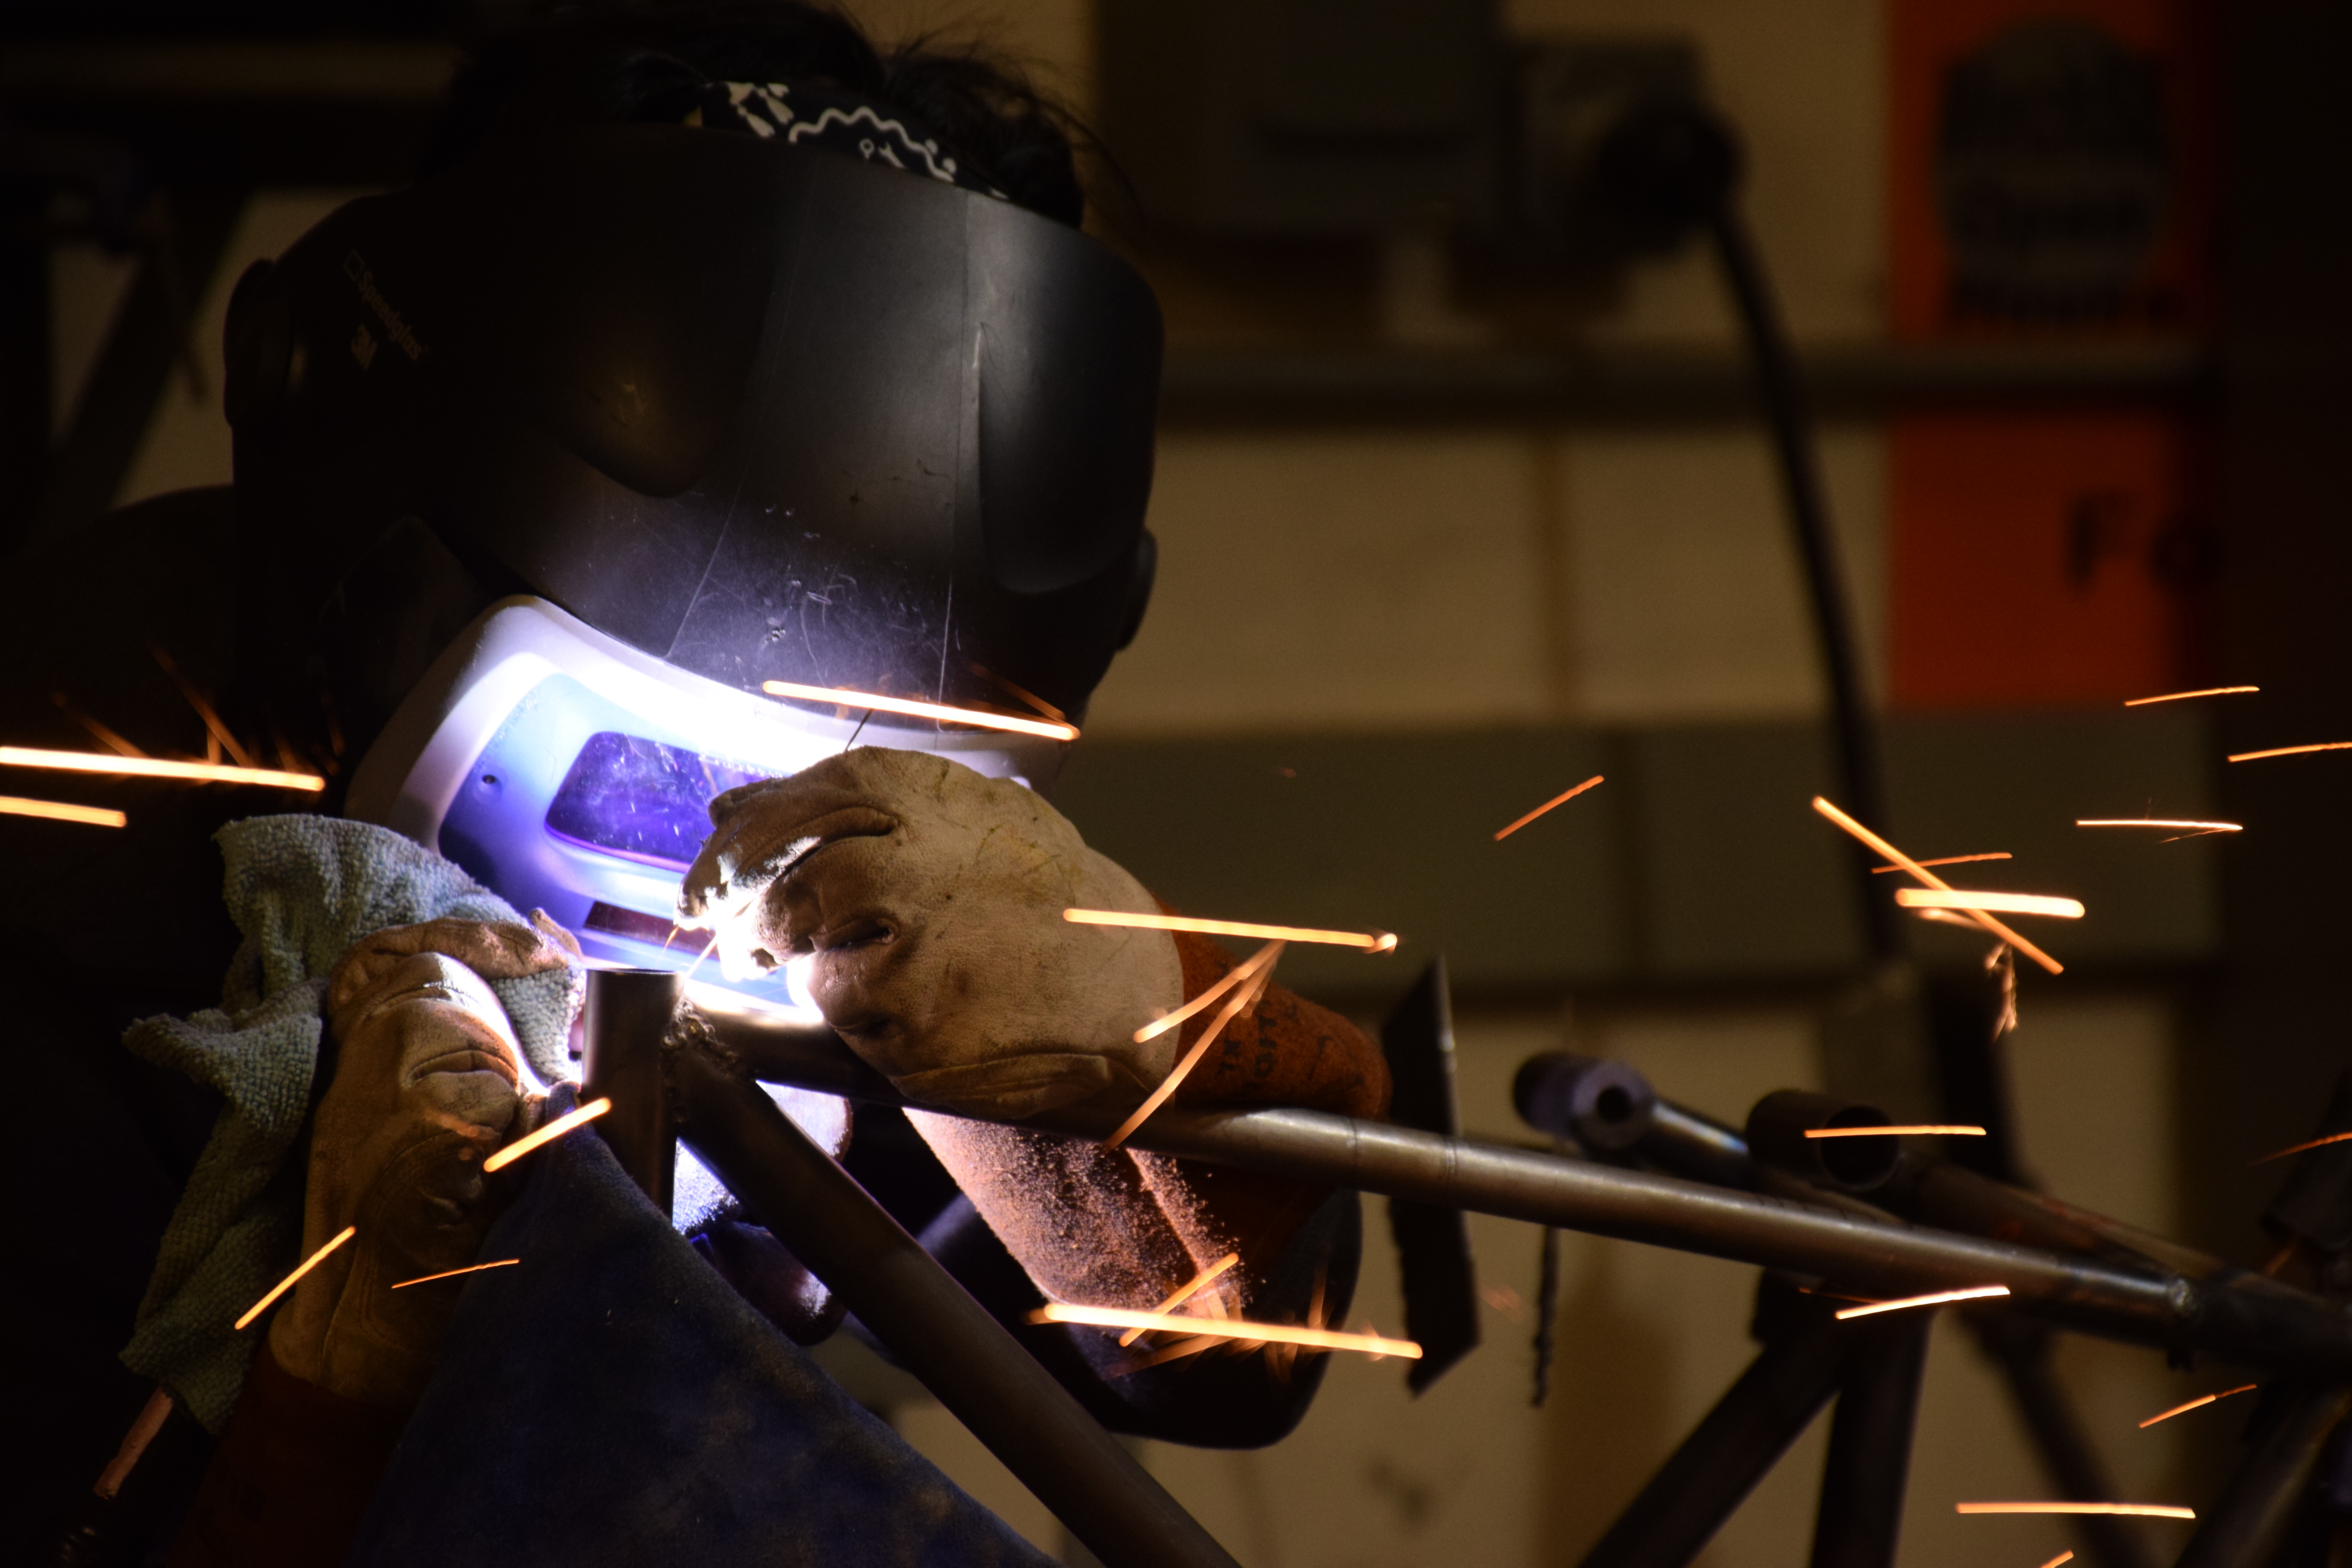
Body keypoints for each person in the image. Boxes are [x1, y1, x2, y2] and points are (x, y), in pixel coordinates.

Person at [7, 5, 1390, 1562]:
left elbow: (1227, 1360)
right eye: (644, 769)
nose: (697, 867)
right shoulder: (71, 845)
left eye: (774, 782)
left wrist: (1143, 1025)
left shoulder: (899, 877)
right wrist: (329, 1405)